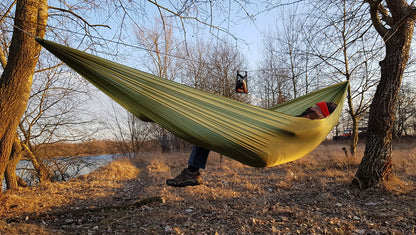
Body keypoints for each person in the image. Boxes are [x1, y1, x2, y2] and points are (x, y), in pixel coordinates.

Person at [166, 101, 338, 187]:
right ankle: (192, 172)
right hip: (256, 137)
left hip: (262, 146)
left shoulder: (310, 127)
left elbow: (288, 132)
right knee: (204, 135)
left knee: (206, 135)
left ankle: (192, 172)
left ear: (322, 115)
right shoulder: (305, 120)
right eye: (315, 106)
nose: (312, 107)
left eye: (317, 108)